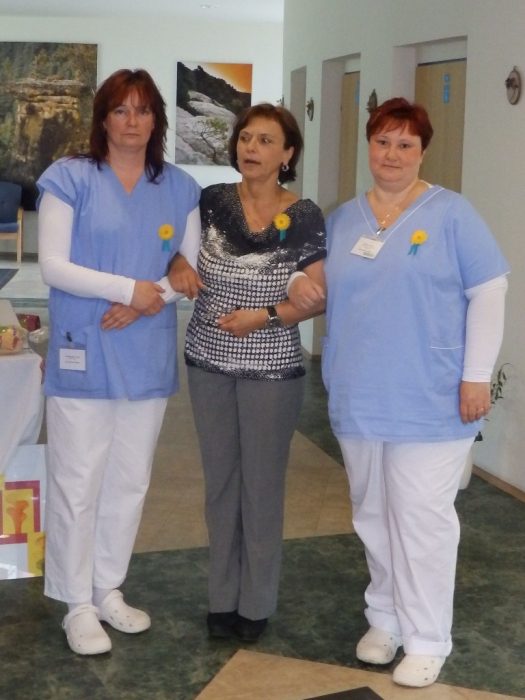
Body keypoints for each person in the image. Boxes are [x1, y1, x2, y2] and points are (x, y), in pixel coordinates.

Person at [320, 98, 509, 687]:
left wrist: (476, 375)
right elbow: (318, 287)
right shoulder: (343, 220)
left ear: (423, 151)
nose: (392, 154)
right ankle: (386, 618)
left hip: (431, 395)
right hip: (359, 392)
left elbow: (490, 291)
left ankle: (428, 638)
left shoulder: (452, 214)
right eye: (382, 141)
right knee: (373, 513)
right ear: (369, 146)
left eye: (405, 144)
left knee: (421, 518)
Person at [37, 68, 200, 655]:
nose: (133, 121)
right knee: (78, 480)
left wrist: (150, 297)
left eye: (144, 110)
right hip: (84, 345)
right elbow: (53, 265)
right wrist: (128, 290)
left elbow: (189, 270)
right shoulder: (70, 178)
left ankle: (107, 587)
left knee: (129, 481)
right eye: (121, 110)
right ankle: (75, 602)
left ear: (157, 120)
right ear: (103, 119)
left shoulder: (179, 187)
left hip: (145, 350)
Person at [169, 102, 326, 642]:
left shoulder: (304, 215)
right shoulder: (210, 202)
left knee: (261, 487)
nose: (251, 148)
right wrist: (177, 262)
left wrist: (269, 314)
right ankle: (221, 597)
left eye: (265, 141)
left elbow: (317, 294)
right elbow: (174, 251)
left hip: (271, 370)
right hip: (208, 361)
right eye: (245, 138)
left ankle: (255, 604)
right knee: (220, 484)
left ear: (287, 154)